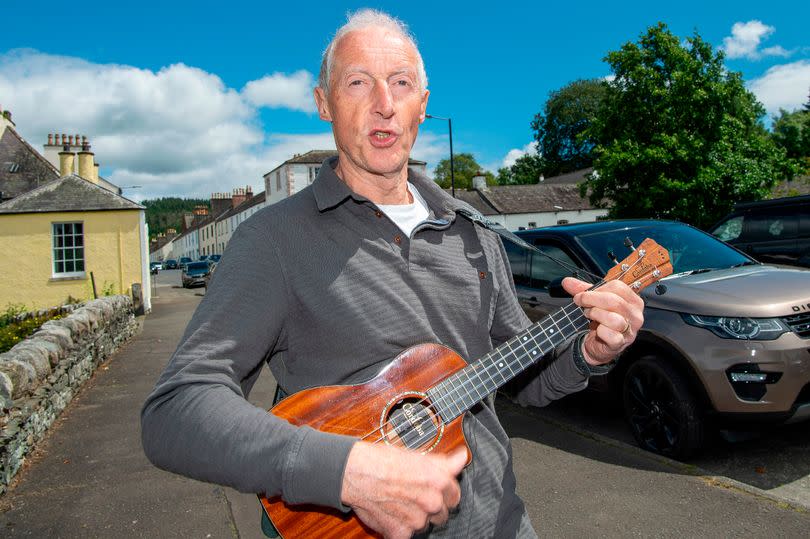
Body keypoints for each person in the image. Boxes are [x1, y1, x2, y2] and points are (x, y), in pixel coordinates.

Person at [141, 9, 644, 539]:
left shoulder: (475, 233)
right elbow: (177, 410)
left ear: (422, 105)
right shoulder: (273, 241)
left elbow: (525, 379)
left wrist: (589, 353)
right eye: (358, 83)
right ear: (324, 103)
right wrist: (344, 472)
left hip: (498, 524)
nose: (384, 104)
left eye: (400, 83)